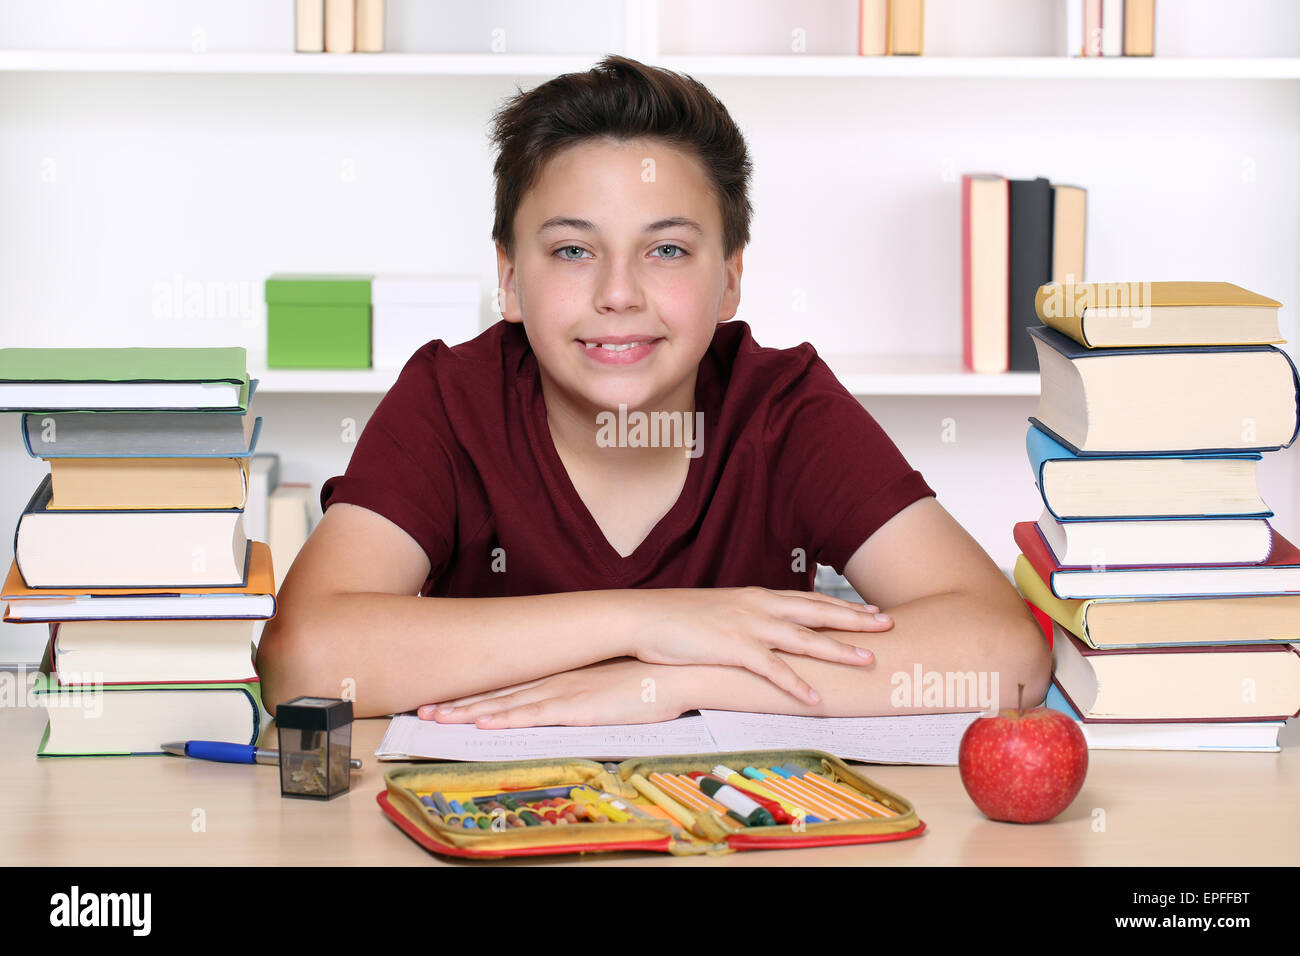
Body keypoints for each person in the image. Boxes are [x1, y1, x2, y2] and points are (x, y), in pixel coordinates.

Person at [256, 55, 1050, 725]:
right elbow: (304, 660)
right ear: (509, 281)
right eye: (572, 251)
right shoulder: (450, 400)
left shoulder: (783, 408)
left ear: (730, 281)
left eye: (666, 250)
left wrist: (675, 683)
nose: (619, 294)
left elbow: (1004, 656)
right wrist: (653, 620)